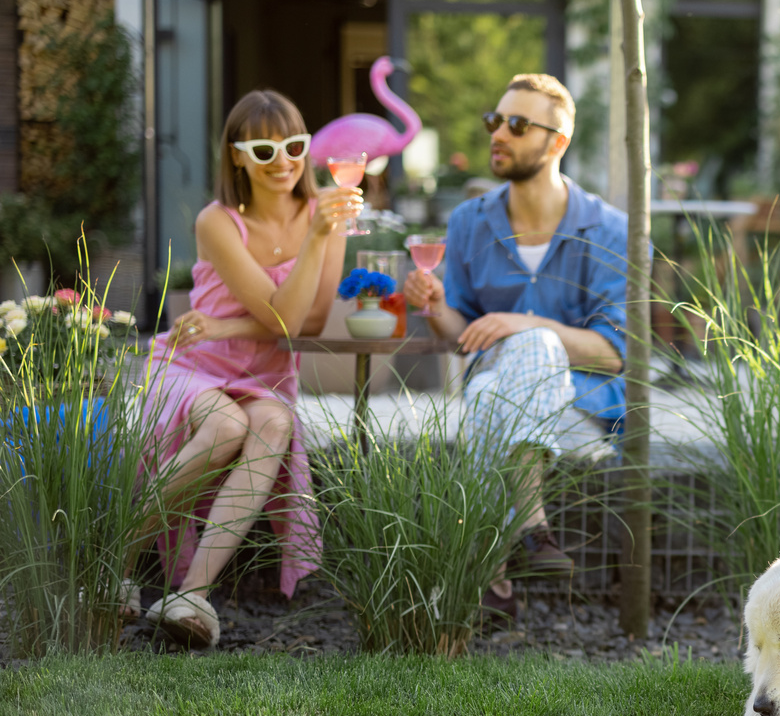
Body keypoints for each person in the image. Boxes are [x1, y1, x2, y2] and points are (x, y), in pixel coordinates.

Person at [139, 89, 360, 647]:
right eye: (264, 151)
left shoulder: (322, 215)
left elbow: (303, 326)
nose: (283, 161)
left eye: (293, 146)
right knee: (225, 426)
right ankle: (112, 558)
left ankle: (190, 596)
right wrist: (316, 236)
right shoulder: (219, 222)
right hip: (194, 363)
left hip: (264, 371)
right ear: (237, 156)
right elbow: (284, 313)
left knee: (275, 425)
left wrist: (229, 324)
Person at [402, 73, 628, 614]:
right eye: (495, 121)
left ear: (557, 143)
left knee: (528, 348)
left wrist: (521, 325)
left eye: (518, 124)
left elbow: (616, 353)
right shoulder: (468, 223)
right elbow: (462, 339)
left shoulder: (608, 229)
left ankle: (487, 572)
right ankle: (533, 528)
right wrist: (434, 307)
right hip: (499, 395)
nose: (498, 134)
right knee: (490, 387)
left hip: (581, 410)